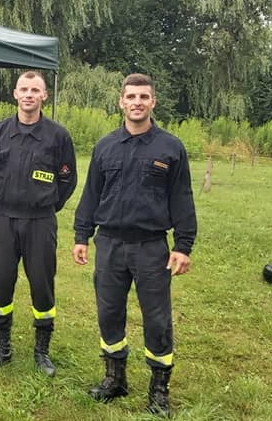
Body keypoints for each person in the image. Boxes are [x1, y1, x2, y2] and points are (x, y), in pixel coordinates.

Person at [72, 73, 197, 416]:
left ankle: (159, 389)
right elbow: (91, 195)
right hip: (110, 245)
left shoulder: (170, 148)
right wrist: (82, 235)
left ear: (153, 102)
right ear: (121, 102)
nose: (137, 102)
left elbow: (182, 199)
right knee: (109, 313)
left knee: (157, 319)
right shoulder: (105, 146)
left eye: (144, 97)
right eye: (131, 97)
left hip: (151, 248)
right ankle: (115, 378)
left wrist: (183, 246)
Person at [0, 71, 77, 377]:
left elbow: (67, 178)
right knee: (2, 282)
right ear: (15, 93)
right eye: (24, 89)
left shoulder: (58, 136)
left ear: (44, 96)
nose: (29, 95)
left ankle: (42, 351)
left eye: (36, 90)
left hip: (40, 221)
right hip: (5, 219)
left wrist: (48, 204)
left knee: (42, 285)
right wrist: (1, 199)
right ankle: (2, 347)